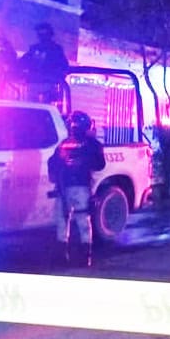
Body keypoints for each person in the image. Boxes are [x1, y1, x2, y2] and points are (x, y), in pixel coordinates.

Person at [47, 111, 106, 265]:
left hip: (67, 187)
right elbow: (99, 164)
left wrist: (56, 173)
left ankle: (64, 256)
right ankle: (84, 257)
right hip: (78, 187)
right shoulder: (91, 144)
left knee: (64, 220)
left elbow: (52, 162)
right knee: (81, 220)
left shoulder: (65, 143)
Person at [0, 22, 70, 102]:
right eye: (40, 34)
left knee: (44, 106)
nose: (42, 36)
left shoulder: (56, 50)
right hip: (33, 84)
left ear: (50, 34)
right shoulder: (34, 50)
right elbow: (21, 64)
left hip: (48, 85)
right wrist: (9, 50)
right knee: (32, 106)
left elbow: (63, 67)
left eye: (44, 33)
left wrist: (55, 79)